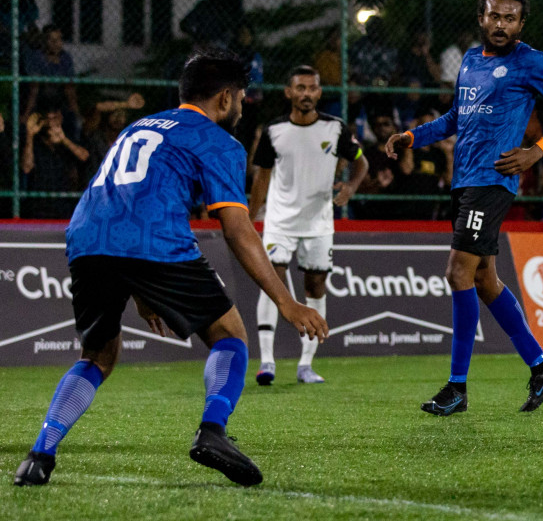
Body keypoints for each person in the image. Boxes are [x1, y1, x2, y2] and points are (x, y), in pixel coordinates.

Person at [13, 49, 327, 488]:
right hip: (154, 238)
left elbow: (125, 198)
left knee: (98, 356)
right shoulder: (218, 141)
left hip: (87, 237)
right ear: (223, 98)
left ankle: (39, 456)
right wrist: (286, 302)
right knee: (230, 334)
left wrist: (141, 292)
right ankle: (213, 431)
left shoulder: (140, 125)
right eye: (239, 97)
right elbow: (237, 229)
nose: (240, 106)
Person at [382, 0, 543, 417]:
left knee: (457, 271)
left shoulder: (530, 61)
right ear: (481, 18)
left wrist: (537, 151)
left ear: (521, 24)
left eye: (510, 18)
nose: (501, 24)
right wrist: (414, 136)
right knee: (485, 280)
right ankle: (542, 366)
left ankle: (456, 387)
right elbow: (456, 118)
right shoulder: (471, 61)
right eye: (494, 16)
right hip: (464, 182)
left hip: (492, 182)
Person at [249, 65, 369, 386]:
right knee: (272, 279)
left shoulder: (335, 129)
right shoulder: (273, 131)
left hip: (318, 223)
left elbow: (361, 161)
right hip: (279, 221)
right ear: (288, 92)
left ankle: (306, 363)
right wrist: (250, 218)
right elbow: (261, 178)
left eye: (312, 88)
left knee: (315, 287)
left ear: (319, 92)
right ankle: (267, 362)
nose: (306, 94)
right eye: (299, 88)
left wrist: (351, 187)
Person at [21, 105, 93, 218]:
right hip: (37, 208)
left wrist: (63, 139)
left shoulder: (68, 140)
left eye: (54, 118)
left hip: (63, 206)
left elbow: (84, 157)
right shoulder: (33, 143)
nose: (51, 124)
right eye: (47, 119)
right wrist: (30, 135)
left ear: (61, 118)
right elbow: (26, 167)